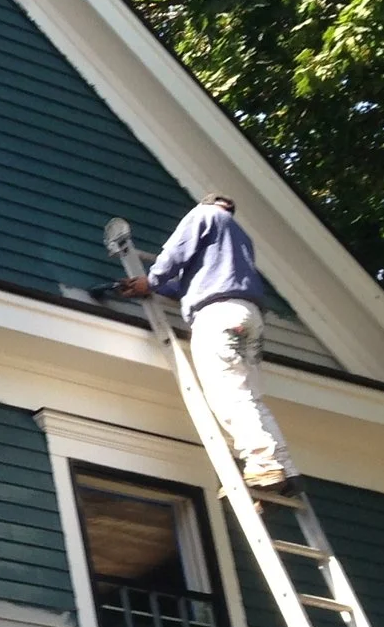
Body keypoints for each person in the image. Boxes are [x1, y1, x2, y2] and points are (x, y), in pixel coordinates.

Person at [117, 195, 298, 492]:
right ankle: (286, 469)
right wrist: (155, 286)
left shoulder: (203, 215)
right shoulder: (239, 237)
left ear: (208, 203)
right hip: (249, 317)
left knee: (226, 394)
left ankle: (262, 464)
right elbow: (202, 282)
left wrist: (152, 279)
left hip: (219, 315)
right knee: (248, 396)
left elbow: (175, 252)